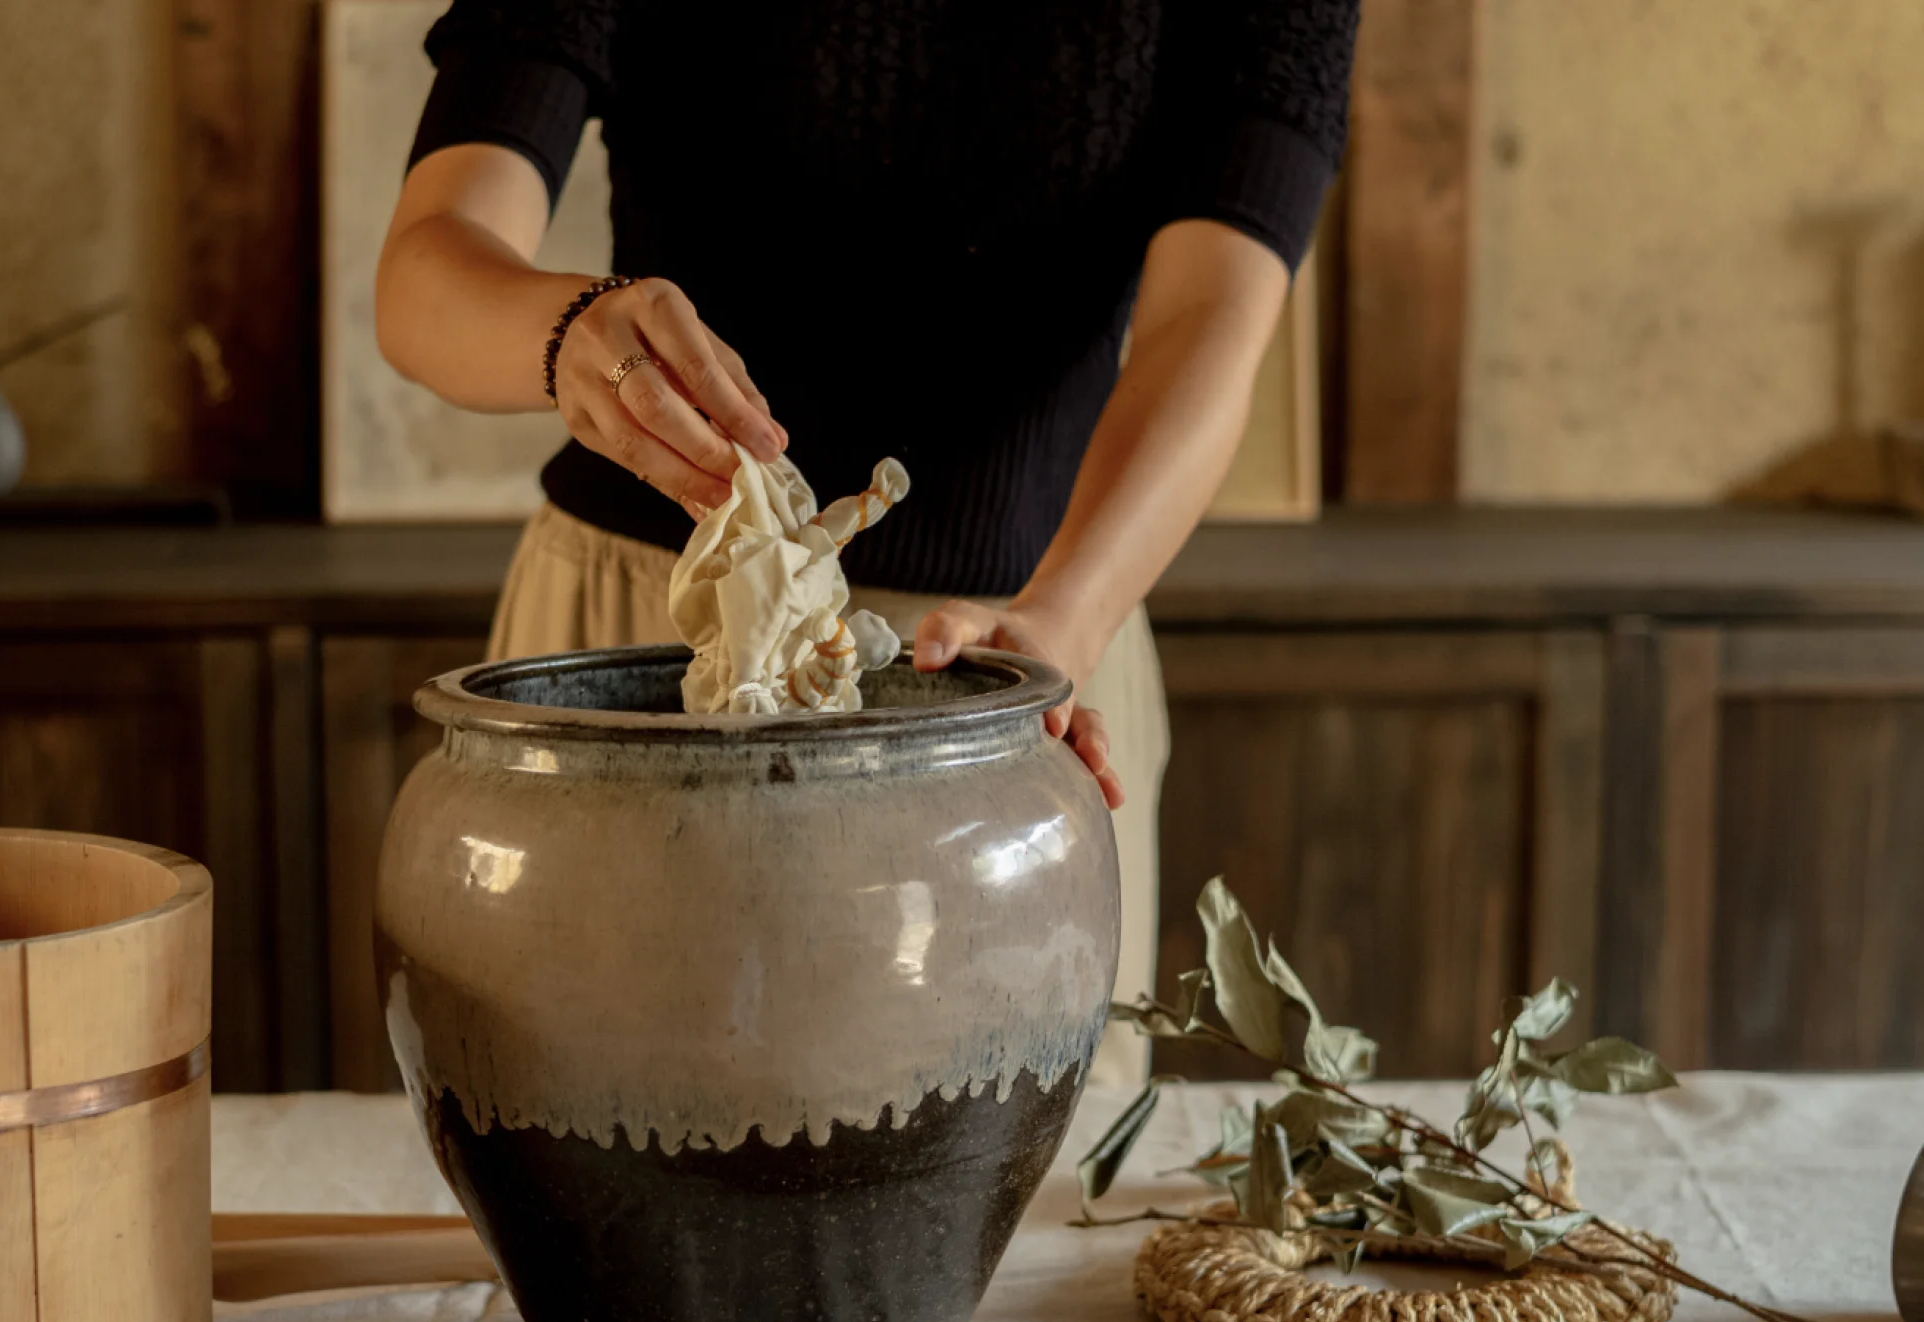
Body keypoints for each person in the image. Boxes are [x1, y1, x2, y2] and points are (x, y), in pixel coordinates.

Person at [375, 2, 1357, 1083]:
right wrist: (563, 332)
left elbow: (1211, 315)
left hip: (1026, 659)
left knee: (1007, 1216)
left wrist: (1063, 618)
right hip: (634, 651)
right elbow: (425, 275)